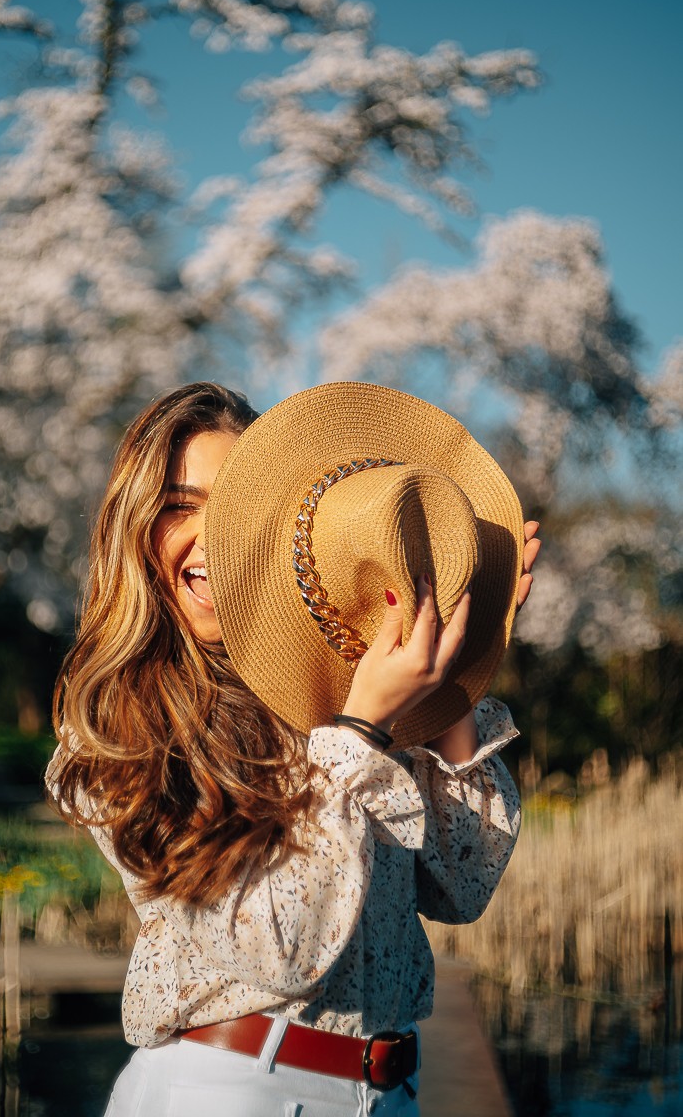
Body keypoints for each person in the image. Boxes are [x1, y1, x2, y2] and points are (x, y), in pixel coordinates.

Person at [49, 380, 541, 1117]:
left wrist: (453, 685)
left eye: (239, 511)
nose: (213, 537)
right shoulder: (119, 733)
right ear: (137, 530)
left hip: (388, 1091)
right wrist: (359, 736)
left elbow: (460, 889)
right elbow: (278, 952)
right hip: (229, 1090)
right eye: (183, 506)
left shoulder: (333, 693)